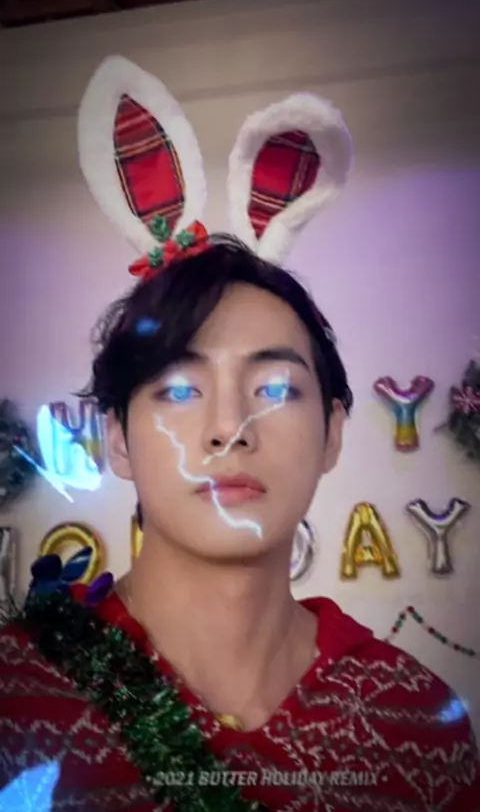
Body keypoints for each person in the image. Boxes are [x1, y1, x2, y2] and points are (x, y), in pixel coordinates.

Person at [1, 57, 479, 812]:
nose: (229, 428)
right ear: (117, 439)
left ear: (332, 432)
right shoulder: (18, 702)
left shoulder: (419, 720)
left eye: (276, 389)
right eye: (179, 389)